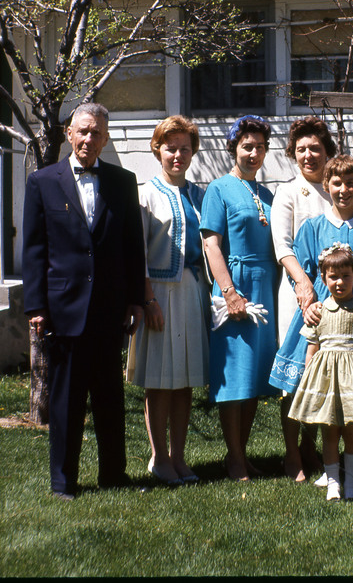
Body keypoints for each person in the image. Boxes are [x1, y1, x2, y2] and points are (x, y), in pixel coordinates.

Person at [22, 102, 145, 500]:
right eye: (83, 131)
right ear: (69, 133)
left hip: (109, 308)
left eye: (97, 134)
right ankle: (63, 481)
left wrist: (135, 300)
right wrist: (36, 306)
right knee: (66, 401)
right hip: (63, 309)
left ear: (105, 139)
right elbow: (35, 250)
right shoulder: (42, 181)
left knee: (109, 396)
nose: (89, 139)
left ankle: (114, 474)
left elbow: (132, 246)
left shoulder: (123, 182)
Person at [270, 155, 353, 487]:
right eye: (336, 183)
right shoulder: (312, 228)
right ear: (326, 185)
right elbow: (299, 273)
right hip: (323, 315)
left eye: (350, 183)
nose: (343, 190)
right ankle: (327, 465)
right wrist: (308, 302)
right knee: (321, 390)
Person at [126, 116, 208, 485]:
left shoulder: (198, 195)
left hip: (191, 292)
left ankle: (179, 457)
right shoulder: (145, 194)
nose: (178, 155)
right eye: (170, 147)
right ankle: (158, 457)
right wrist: (147, 301)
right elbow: (136, 252)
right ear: (157, 149)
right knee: (159, 380)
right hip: (158, 293)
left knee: (184, 379)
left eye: (185, 148)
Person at [201, 115, 278, 481]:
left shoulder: (267, 194)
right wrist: (230, 292)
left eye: (260, 147)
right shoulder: (218, 188)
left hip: (266, 288)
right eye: (247, 146)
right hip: (236, 286)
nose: (254, 153)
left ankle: (242, 455)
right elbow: (211, 244)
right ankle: (233, 458)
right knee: (234, 375)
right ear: (234, 148)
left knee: (254, 377)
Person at [289, 243, 353, 501]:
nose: (340, 282)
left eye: (346, 276)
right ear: (323, 278)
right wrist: (311, 382)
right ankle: (333, 484)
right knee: (329, 433)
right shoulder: (318, 311)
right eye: (333, 277)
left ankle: (351, 484)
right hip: (328, 382)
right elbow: (312, 350)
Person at [271, 116, 337, 481]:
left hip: (334, 296)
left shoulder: (336, 188)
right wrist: (302, 283)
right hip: (298, 293)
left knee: (323, 374)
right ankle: (292, 453)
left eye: (315, 148)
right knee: (296, 374)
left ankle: (313, 448)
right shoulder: (289, 191)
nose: (308, 155)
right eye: (301, 150)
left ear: (327, 152)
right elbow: (283, 245)